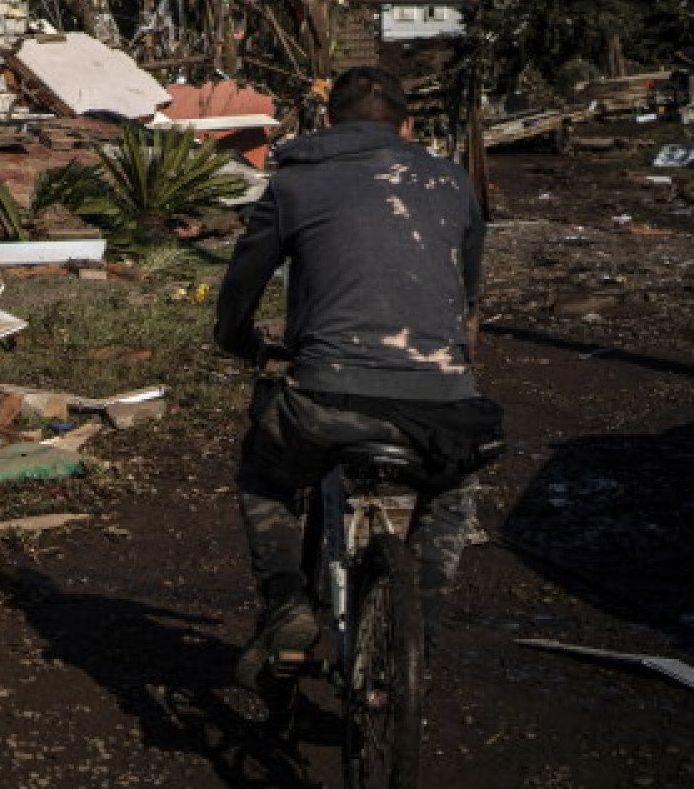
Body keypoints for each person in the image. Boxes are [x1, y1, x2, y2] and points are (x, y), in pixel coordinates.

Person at [215, 66, 504, 689]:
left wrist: (237, 341)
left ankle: (288, 605)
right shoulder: (452, 181)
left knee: (265, 479)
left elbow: (243, 283)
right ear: (406, 126)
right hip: (441, 402)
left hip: (325, 397)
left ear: (327, 122)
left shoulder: (294, 183)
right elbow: (469, 299)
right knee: (452, 492)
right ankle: (416, 628)